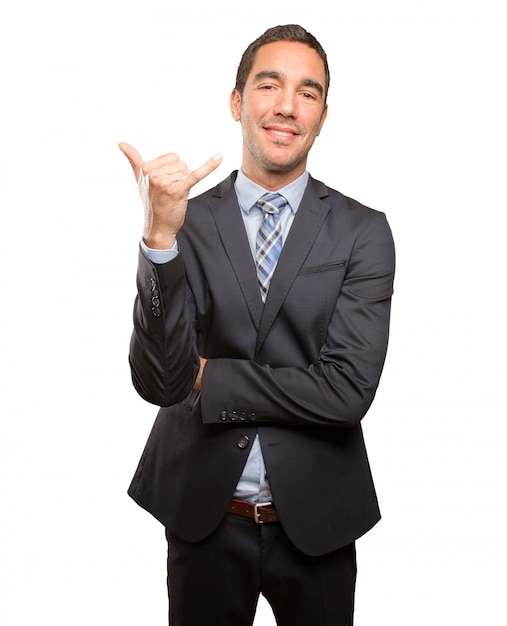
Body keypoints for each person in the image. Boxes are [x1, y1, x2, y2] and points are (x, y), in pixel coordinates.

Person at [119, 23, 395, 626]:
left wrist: (209, 379)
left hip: (318, 520)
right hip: (204, 516)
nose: (287, 106)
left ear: (323, 115)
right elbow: (162, 384)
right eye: (269, 85)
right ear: (238, 101)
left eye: (309, 92)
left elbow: (348, 391)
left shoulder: (362, 232)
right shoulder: (184, 219)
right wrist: (159, 238)